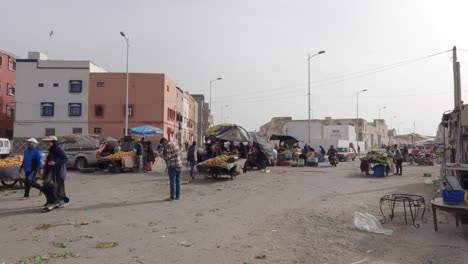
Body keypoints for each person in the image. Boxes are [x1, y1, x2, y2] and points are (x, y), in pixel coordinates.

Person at [41, 136, 69, 212]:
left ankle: (54, 202)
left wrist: (55, 163)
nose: (46, 143)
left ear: (52, 142)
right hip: (51, 171)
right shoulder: (52, 149)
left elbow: (65, 159)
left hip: (57, 172)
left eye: (48, 142)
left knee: (52, 187)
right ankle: (55, 202)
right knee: (50, 187)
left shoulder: (58, 148)